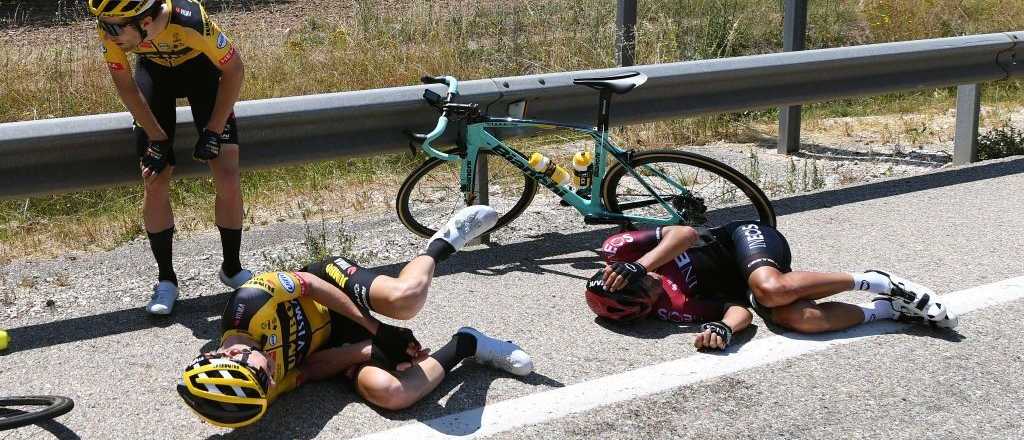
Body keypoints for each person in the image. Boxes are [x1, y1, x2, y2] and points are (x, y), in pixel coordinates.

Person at [177, 206, 534, 428]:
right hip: (333, 341)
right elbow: (309, 370)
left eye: (263, 370)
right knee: (391, 393)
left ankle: (444, 241)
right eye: (268, 380)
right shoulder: (257, 391)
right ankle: (468, 344)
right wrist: (365, 351)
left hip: (327, 289)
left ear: (225, 354)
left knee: (404, 299)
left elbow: (312, 285)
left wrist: (377, 331)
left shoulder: (249, 303)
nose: (272, 372)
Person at [88, 0, 250, 314]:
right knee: (155, 178)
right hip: (153, 78)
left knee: (228, 176)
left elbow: (234, 68)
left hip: (201, 73)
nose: (107, 32)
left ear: (145, 21)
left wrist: (214, 130)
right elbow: (126, 87)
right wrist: (157, 137)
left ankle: (231, 269)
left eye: (113, 26)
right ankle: (166, 281)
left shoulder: (190, 20)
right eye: (104, 25)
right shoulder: (113, 26)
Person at [586, 221, 959, 350]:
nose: (654, 282)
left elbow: (684, 233)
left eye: (644, 281)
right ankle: (889, 309)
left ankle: (877, 280)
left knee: (771, 289)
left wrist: (638, 265)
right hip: (747, 288)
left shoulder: (618, 250)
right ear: (646, 308)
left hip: (740, 241)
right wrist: (724, 329)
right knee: (801, 319)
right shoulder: (671, 307)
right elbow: (737, 311)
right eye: (648, 291)